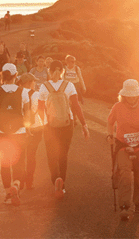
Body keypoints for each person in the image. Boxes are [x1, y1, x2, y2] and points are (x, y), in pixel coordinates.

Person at [37, 60, 89, 200]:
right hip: (67, 124)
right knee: (63, 154)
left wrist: (41, 124)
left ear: (49, 71)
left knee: (51, 155)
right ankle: (62, 183)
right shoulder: (69, 85)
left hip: (49, 125)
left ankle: (55, 180)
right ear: (62, 71)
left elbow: (40, 109)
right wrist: (84, 124)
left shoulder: (44, 87)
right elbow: (76, 106)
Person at [107, 79, 139, 220]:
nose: (132, 97)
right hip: (123, 145)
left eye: (134, 94)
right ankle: (124, 206)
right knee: (125, 173)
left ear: (138, 94)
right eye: (129, 94)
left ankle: (138, 202)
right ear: (124, 95)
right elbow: (110, 123)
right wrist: (110, 135)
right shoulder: (117, 107)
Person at [0, 63, 31, 206]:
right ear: (16, 75)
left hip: (1, 132)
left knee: (4, 164)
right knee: (19, 161)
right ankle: (16, 185)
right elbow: (27, 113)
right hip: (19, 132)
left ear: (2, 75)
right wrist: (27, 129)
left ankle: (8, 193)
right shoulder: (23, 92)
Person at [18, 73, 44, 190]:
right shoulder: (36, 95)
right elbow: (39, 110)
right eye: (34, 81)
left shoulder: (16, 93)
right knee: (31, 155)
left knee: (21, 155)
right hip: (35, 127)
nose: (35, 83)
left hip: (20, 128)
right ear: (29, 83)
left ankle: (20, 181)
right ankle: (29, 182)